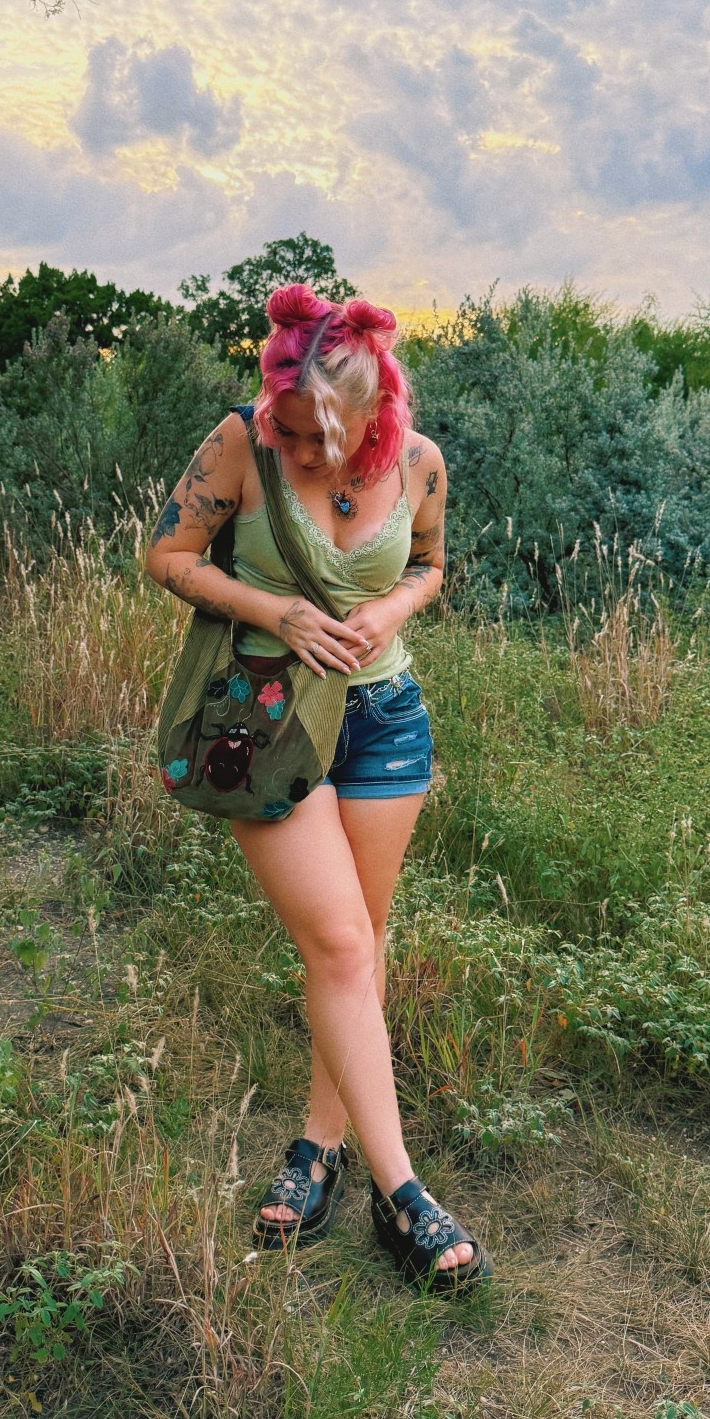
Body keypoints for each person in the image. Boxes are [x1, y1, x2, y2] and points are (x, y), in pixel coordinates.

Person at [145, 283, 489, 1293]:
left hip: (384, 720)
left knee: (357, 947)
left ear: (366, 417)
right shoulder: (239, 442)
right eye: (283, 428)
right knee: (340, 943)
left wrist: (392, 611)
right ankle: (404, 1191)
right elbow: (163, 555)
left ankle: (316, 1145)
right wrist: (275, 609)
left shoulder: (419, 462)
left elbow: (429, 567)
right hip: (268, 719)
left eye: (308, 436)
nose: (290, 448)